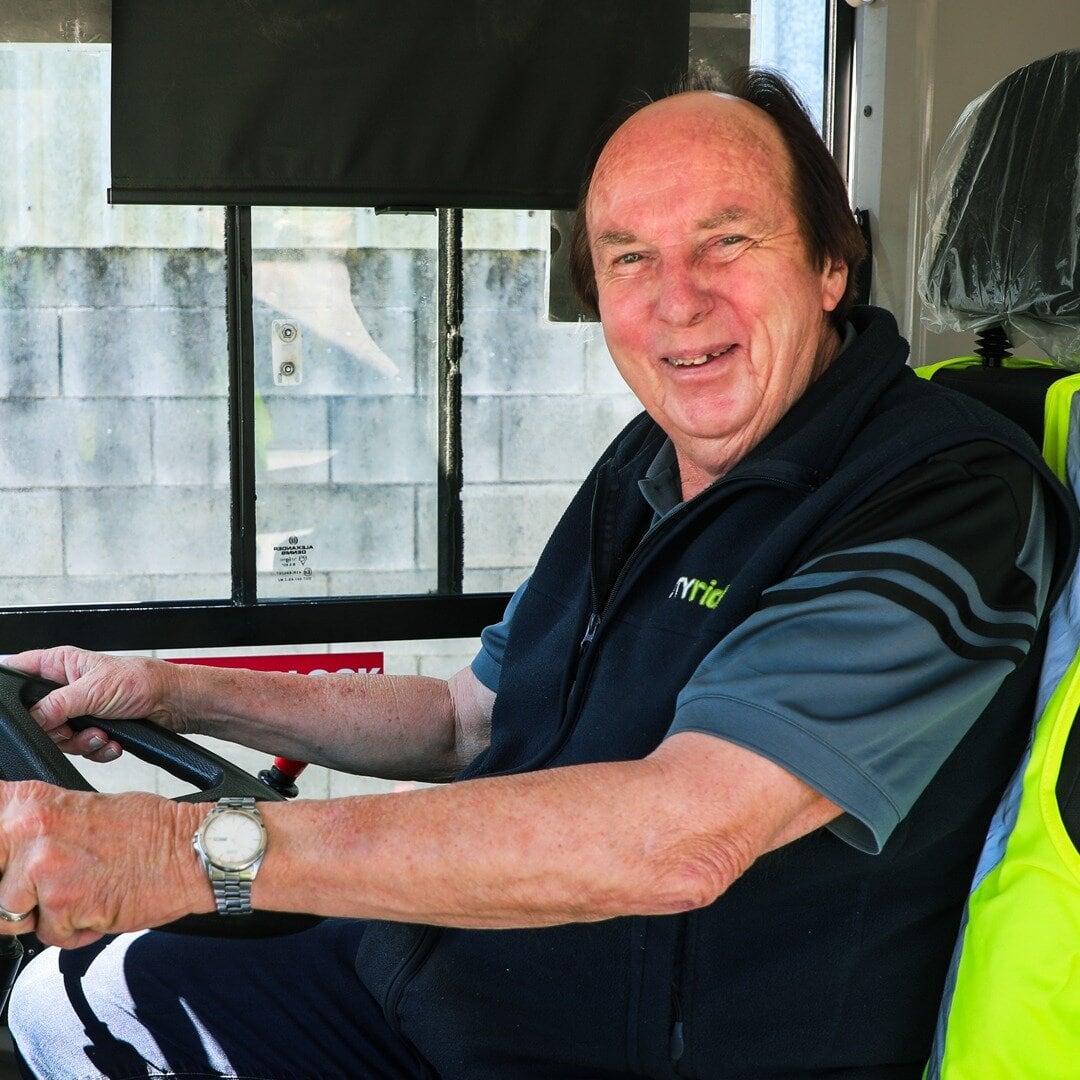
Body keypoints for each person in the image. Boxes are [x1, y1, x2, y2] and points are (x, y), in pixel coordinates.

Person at [3, 69, 1077, 1079]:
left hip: (590, 1054)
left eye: (727, 241)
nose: (678, 300)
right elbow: (466, 717)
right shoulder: (647, 462)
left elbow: (682, 835)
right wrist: (168, 689)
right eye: (629, 258)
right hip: (438, 983)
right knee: (60, 997)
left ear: (830, 265)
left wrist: (192, 849)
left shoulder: (947, 497)